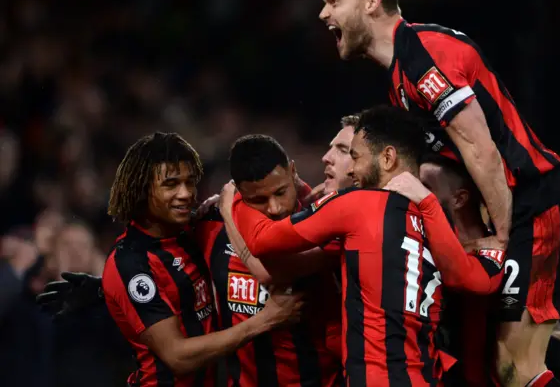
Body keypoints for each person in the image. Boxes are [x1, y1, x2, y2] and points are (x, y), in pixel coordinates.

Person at [318, 0, 560, 386]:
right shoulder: (399, 80)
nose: (324, 14)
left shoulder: (420, 54)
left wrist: (501, 236)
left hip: (536, 204)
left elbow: (479, 148)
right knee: (539, 354)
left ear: (372, 2)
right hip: (525, 206)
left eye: (334, 0)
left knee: (513, 367)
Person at [221, 106, 504, 386]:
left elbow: (262, 242)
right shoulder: (431, 218)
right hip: (428, 376)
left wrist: (233, 197)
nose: (351, 167)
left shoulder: (356, 205)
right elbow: (476, 280)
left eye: (353, 155)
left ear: (387, 157)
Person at [101, 132, 302, 387]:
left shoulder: (195, 232)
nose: (186, 194)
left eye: (190, 182)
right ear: (140, 189)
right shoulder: (130, 262)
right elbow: (177, 356)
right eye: (171, 184)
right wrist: (266, 319)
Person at [419, 155, 560, 387]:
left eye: (426, 187)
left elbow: (475, 279)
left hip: (486, 373)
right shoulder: (436, 241)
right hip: (462, 373)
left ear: (459, 198)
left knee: (539, 354)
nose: (418, 192)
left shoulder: (506, 247)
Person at [195, 134, 343, 387]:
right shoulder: (208, 229)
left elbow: (269, 272)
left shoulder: (322, 221)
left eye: (281, 192)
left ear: (292, 172)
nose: (274, 208)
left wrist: (228, 208)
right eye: (259, 200)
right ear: (242, 192)